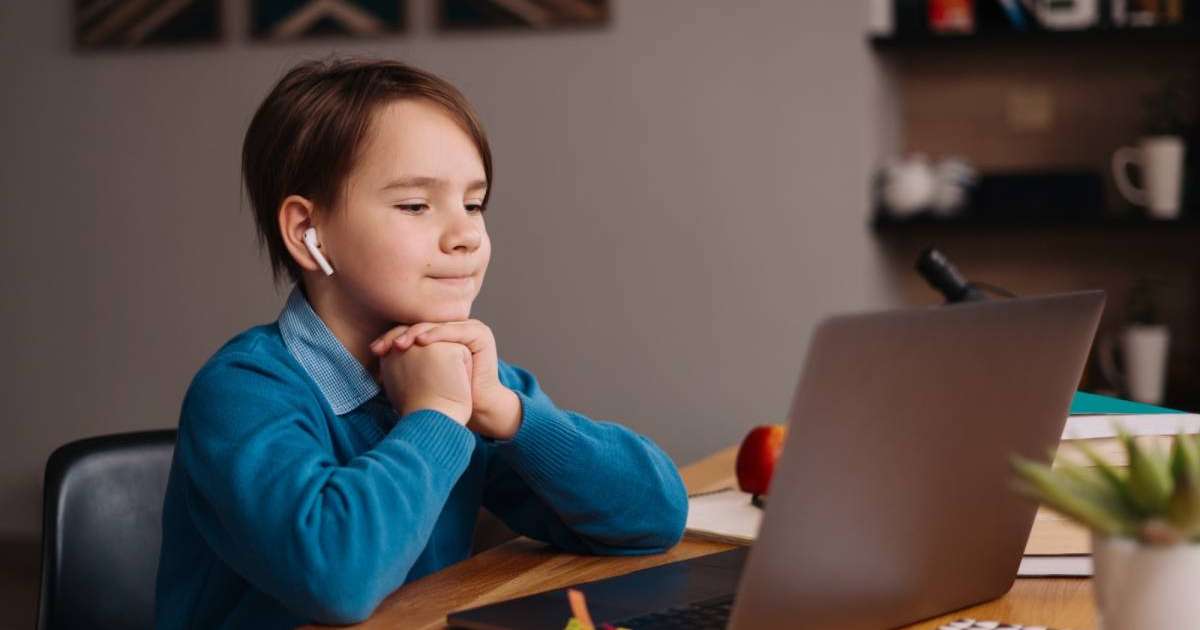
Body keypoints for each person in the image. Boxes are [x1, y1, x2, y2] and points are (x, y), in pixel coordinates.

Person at [154, 56, 688, 629]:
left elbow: (655, 517)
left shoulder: (463, 377)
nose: (465, 235)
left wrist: (508, 413)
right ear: (308, 234)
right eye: (415, 205)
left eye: (474, 203)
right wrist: (434, 414)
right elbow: (336, 581)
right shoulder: (244, 392)